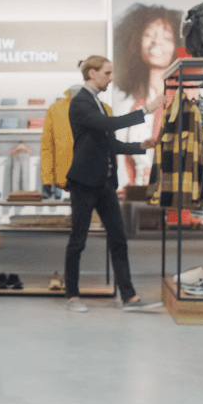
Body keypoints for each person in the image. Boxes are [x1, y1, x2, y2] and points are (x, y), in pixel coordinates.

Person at [64, 55, 164, 313]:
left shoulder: (97, 104)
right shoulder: (80, 104)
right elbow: (108, 125)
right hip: (84, 183)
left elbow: (109, 142)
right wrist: (147, 110)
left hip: (105, 183)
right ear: (92, 74)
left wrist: (140, 146)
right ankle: (73, 296)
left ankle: (129, 297)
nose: (111, 78)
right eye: (107, 73)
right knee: (78, 240)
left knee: (119, 238)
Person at [112, 3, 184, 185]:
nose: (156, 42)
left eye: (167, 37)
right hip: (138, 193)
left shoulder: (182, 101)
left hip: (168, 195)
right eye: (149, 35)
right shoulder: (135, 106)